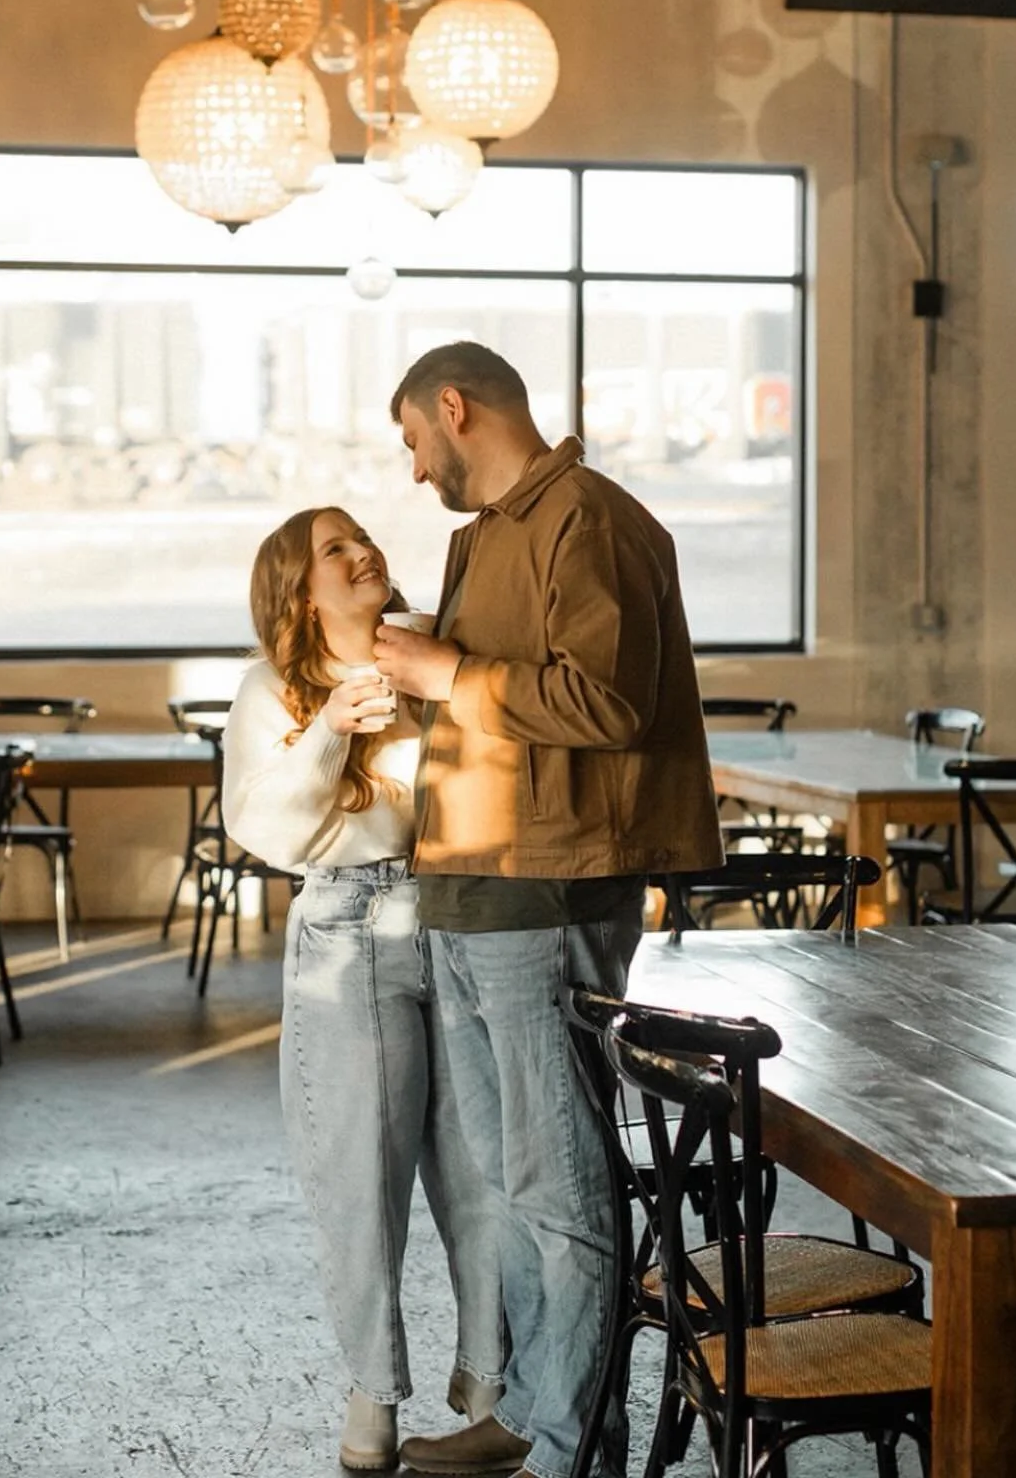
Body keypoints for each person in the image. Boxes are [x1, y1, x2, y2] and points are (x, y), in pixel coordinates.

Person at [373, 343, 724, 1478]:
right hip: (468, 886)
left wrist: (447, 677)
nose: (415, 468)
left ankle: (575, 1445)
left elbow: (608, 702)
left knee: (562, 1185)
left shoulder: (595, 521)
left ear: (455, 409)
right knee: (508, 1180)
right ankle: (528, 1414)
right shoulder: (485, 534)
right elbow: (500, 702)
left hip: (550, 888)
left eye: (414, 438)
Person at [223, 505, 504, 1473]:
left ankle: (491, 1389)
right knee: (361, 1180)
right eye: (333, 551)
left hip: (460, 915)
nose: (361, 553)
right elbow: (262, 833)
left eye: (361, 538)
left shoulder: (435, 655)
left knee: (482, 1177)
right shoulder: (272, 689)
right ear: (300, 591)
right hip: (347, 924)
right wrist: (329, 730)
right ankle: (372, 1390)